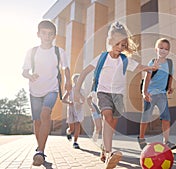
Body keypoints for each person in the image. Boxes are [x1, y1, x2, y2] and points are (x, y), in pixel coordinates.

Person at [73, 21, 158, 169]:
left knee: (111, 125)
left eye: (123, 45)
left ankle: (105, 150)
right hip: (102, 93)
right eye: (117, 44)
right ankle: (109, 153)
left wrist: (150, 67)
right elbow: (85, 72)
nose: (120, 47)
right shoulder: (102, 58)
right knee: (107, 117)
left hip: (118, 96)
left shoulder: (124, 60)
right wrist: (76, 90)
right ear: (110, 41)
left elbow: (139, 67)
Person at [22, 20, 71, 166]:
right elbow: (24, 71)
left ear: (54, 36)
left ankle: (41, 151)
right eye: (44, 33)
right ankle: (40, 146)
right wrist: (29, 76)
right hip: (35, 91)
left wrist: (68, 82)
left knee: (45, 114)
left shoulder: (59, 51)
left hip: (52, 89)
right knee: (37, 122)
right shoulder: (32, 52)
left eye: (50, 34)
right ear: (38, 34)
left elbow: (66, 68)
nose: (47, 36)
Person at [137, 38, 176, 150]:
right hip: (150, 94)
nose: (163, 50)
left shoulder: (170, 63)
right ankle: (141, 138)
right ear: (156, 49)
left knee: (166, 117)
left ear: (169, 51)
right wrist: (144, 92)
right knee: (146, 117)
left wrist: (169, 87)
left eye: (166, 49)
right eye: (161, 48)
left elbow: (170, 76)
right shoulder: (153, 62)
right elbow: (147, 78)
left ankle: (167, 141)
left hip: (162, 94)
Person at [62, 73, 85, 149]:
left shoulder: (82, 90)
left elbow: (83, 100)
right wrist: (70, 102)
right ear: (73, 81)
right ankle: (68, 132)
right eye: (76, 80)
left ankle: (75, 142)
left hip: (78, 109)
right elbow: (63, 99)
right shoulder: (70, 89)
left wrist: (80, 100)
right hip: (71, 109)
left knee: (78, 124)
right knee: (71, 128)